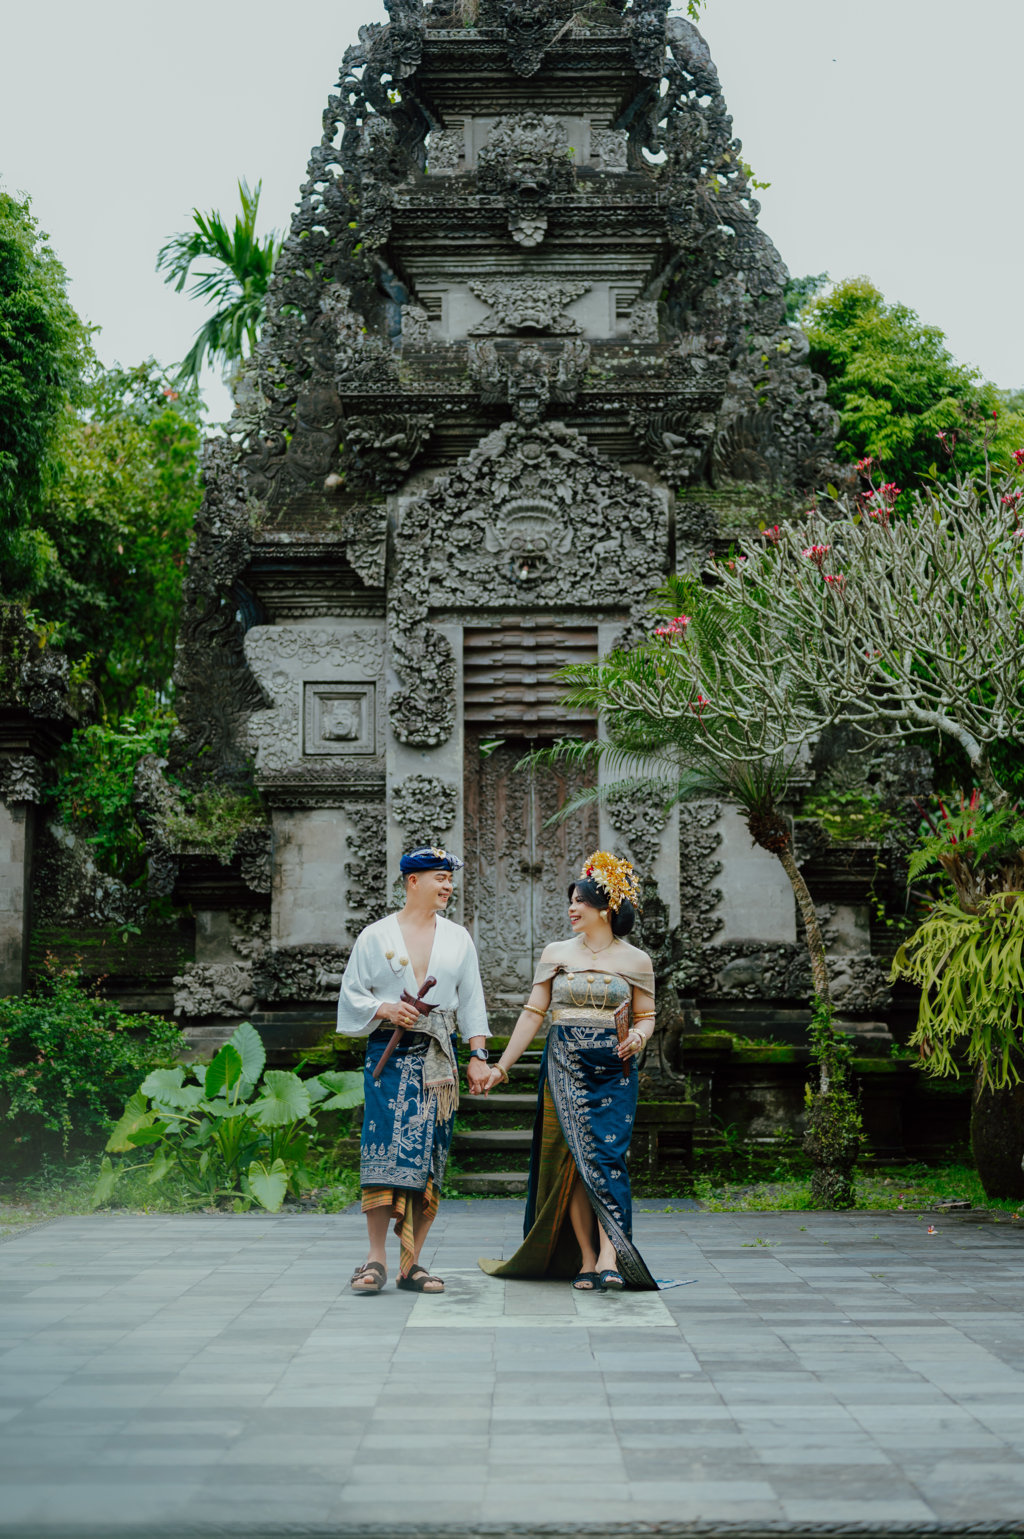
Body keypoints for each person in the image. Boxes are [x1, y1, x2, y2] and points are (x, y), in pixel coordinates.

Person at [478, 851, 659, 1292]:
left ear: (605, 908)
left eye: (580, 901)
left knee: (609, 1158)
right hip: (564, 1065)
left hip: (614, 1069)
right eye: (571, 901)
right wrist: (501, 1066)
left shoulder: (636, 960)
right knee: (573, 1163)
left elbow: (647, 1016)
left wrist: (638, 1038)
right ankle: (587, 1259)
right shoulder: (556, 953)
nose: (572, 908)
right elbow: (532, 1014)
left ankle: (613, 1256)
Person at [337, 846, 491, 1295]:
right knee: (381, 1150)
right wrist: (385, 1008)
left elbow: (473, 1000)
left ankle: (412, 1263)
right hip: (388, 1054)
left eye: (449, 879)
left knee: (430, 1155)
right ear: (412, 881)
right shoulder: (375, 936)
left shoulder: (458, 938)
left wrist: (479, 1056)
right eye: (440, 878)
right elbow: (351, 994)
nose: (448, 886)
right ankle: (376, 1259)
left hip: (438, 1055)